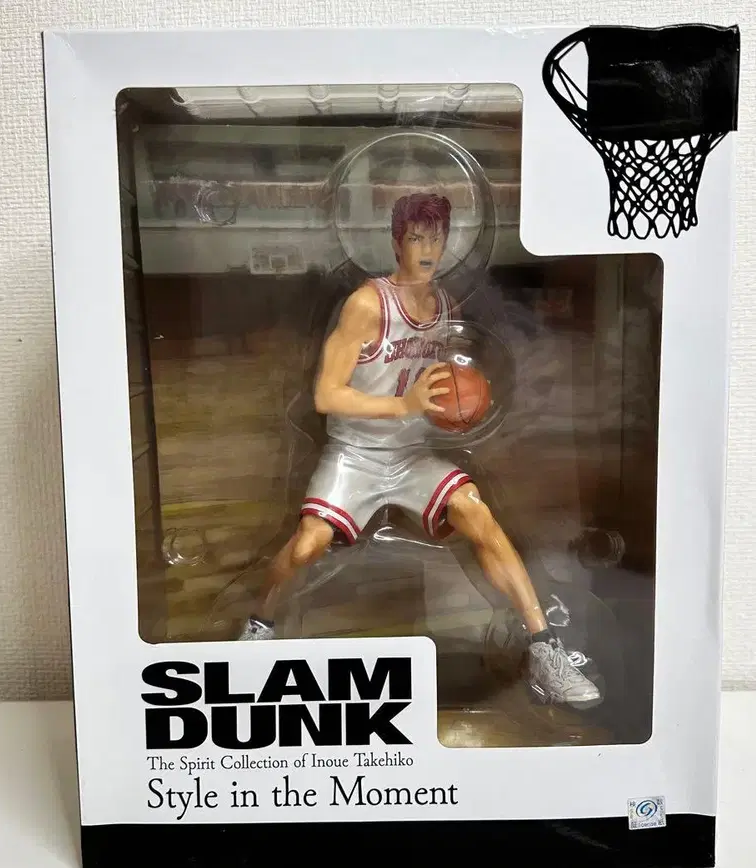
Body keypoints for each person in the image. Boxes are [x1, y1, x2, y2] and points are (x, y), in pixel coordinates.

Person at [237, 192, 599, 705]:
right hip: (355, 453)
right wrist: (403, 404)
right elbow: (326, 395)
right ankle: (258, 625)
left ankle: (544, 645)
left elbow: (443, 385)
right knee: (307, 545)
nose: (428, 249)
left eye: (436, 238)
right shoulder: (367, 304)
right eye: (416, 238)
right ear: (396, 242)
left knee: (476, 512)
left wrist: (464, 405)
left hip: (412, 455)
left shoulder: (446, 307)